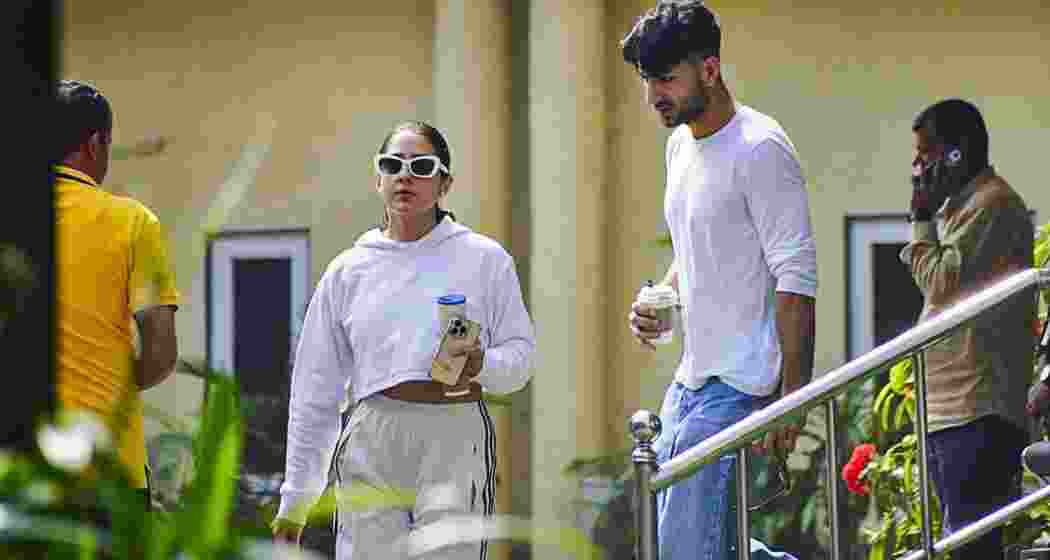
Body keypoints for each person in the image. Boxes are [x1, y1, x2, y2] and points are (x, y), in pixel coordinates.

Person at [272, 121, 536, 559]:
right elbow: (314, 393)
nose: (404, 175)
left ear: (444, 182)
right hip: (371, 433)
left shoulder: (485, 260)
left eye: (421, 166)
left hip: (454, 433)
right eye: (392, 164)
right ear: (378, 180)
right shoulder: (348, 270)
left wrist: (482, 365)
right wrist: (296, 500)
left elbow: (521, 359)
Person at [621, 2, 817, 559]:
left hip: (742, 383)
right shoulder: (680, 145)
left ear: (709, 69)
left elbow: (795, 275)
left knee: (685, 549)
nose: (655, 94)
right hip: (692, 379)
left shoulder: (761, 148)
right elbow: (697, 250)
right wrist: (665, 298)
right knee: (689, 545)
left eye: (666, 78)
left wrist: (794, 398)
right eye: (647, 80)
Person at [902, 98, 1034, 559]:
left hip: (975, 410)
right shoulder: (960, 210)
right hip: (951, 410)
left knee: (973, 548)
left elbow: (940, 282)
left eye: (925, 153)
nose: (917, 168)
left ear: (955, 154)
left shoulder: (992, 204)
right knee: (961, 544)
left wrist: (920, 219)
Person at [53, 80, 180, 511]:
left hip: (22, 474)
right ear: (95, 144)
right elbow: (161, 352)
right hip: (111, 472)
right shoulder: (132, 223)